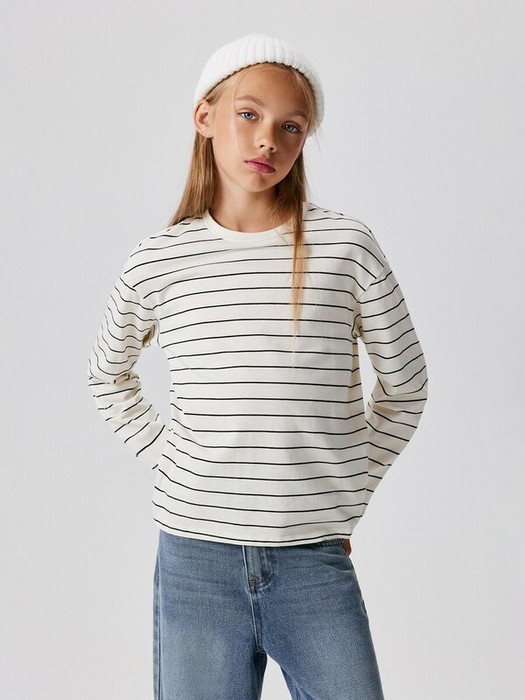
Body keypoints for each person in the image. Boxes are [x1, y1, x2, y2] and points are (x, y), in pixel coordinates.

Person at [87, 33, 428, 700]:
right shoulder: (158, 260)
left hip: (313, 561)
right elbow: (107, 375)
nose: (267, 138)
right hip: (195, 562)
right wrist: (170, 459)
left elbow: (406, 387)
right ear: (204, 116)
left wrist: (346, 492)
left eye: (290, 126)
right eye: (248, 114)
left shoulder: (345, 246)